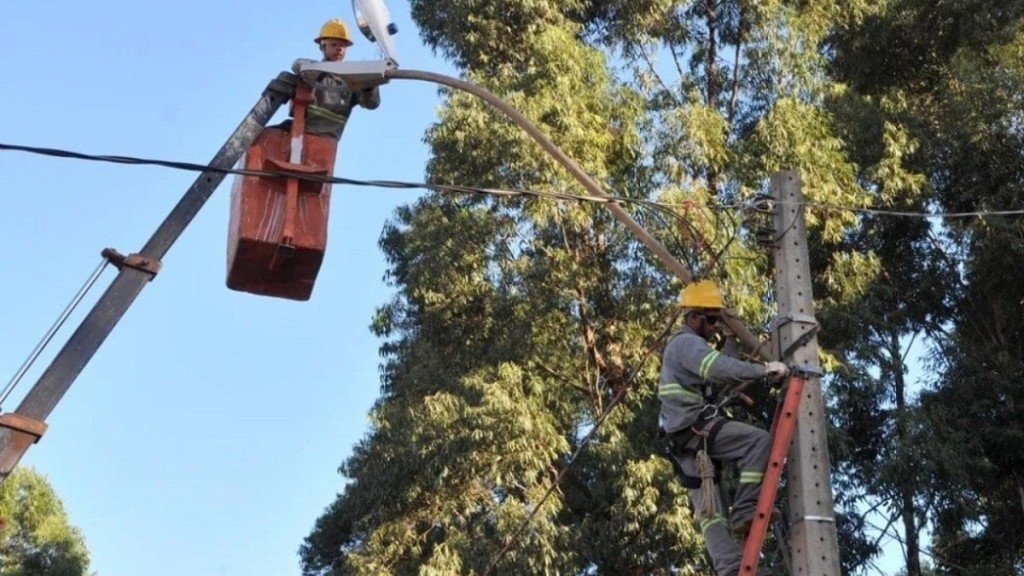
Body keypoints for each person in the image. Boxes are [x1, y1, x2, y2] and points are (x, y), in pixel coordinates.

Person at [658, 280, 788, 576]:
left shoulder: (689, 347)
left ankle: (731, 570)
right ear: (694, 317)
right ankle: (745, 509)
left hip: (684, 439)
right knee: (757, 442)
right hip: (693, 429)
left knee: (710, 513)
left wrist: (731, 338)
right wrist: (765, 370)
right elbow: (718, 368)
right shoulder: (686, 343)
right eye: (712, 319)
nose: (715, 326)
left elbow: (720, 366)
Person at [274, 18, 381, 139]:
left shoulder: (350, 81)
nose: (339, 49)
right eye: (334, 44)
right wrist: (323, 70)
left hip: (326, 142)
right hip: (300, 134)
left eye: (342, 45)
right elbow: (297, 65)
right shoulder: (311, 71)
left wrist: (370, 83)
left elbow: (371, 104)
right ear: (322, 46)